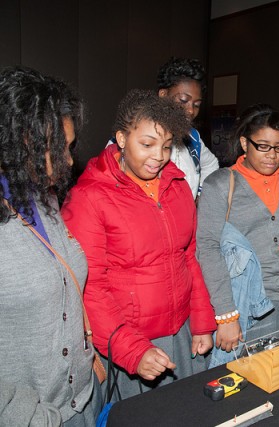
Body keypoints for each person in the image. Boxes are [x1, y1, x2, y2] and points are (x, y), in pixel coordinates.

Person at [62, 90, 215, 400]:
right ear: (121, 138)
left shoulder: (177, 185)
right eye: (146, 144)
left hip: (182, 332)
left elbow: (189, 258)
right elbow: (89, 287)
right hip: (129, 340)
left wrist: (201, 321)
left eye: (167, 147)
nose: (158, 156)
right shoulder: (90, 197)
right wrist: (131, 350)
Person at [0, 66, 101, 425]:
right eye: (57, 149)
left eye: (70, 148)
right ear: (16, 143)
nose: (69, 161)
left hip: (79, 403)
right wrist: (27, 417)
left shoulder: (46, 198)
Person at [197, 104, 279, 365]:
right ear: (245, 143)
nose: (272, 155)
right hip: (245, 307)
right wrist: (226, 315)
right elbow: (207, 250)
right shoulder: (220, 184)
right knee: (245, 384)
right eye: (263, 146)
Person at [157, 57, 219, 200]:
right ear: (163, 95)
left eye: (196, 104)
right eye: (183, 100)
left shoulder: (192, 137)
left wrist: (199, 194)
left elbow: (211, 164)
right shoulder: (137, 133)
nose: (191, 110)